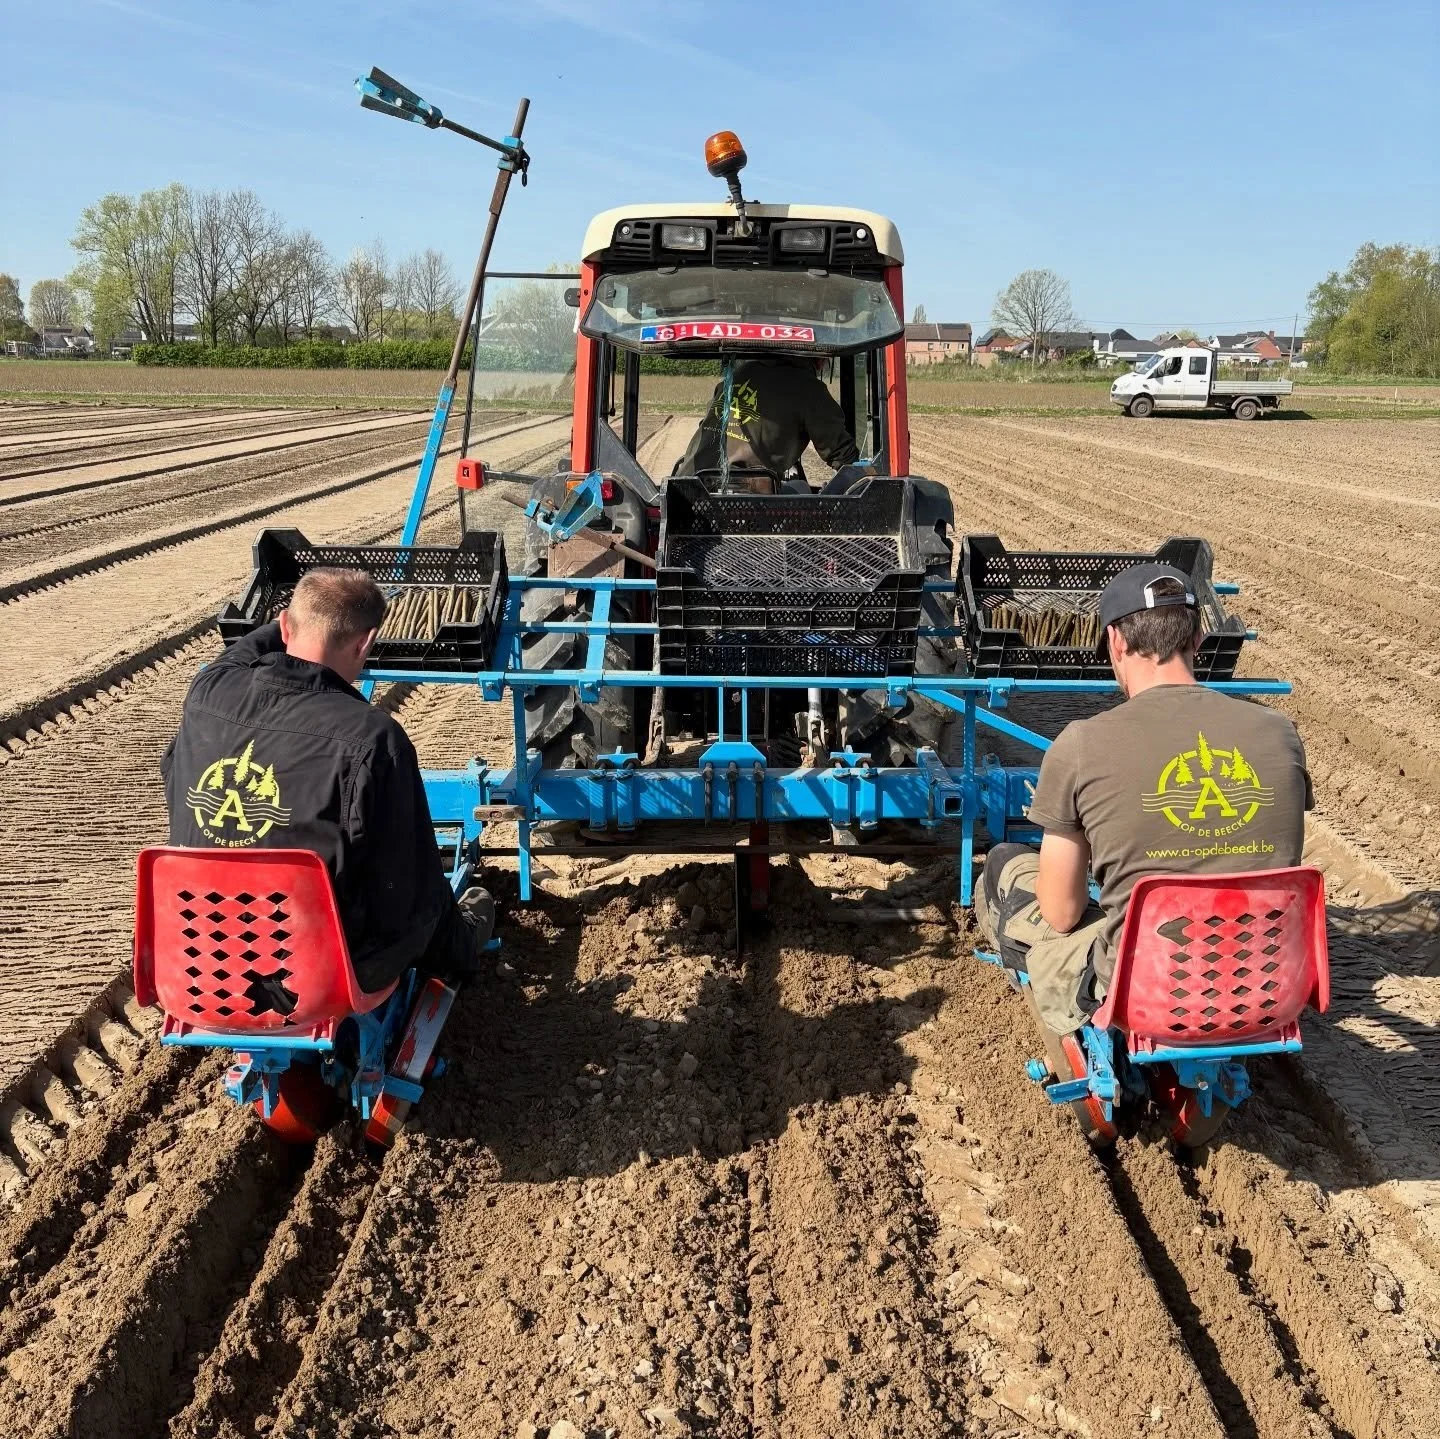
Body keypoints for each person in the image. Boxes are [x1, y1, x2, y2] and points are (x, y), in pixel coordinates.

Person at [976, 563, 1312, 1038]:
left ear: (1115, 641)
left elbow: (1062, 912)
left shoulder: (1081, 743)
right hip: (1270, 980)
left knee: (1005, 867)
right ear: (1197, 638)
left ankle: (1074, 1015)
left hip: (1147, 987)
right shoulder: (1280, 732)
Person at [162, 569, 495, 994]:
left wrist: (304, 615)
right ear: (365, 644)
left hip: (196, 951)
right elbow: (411, 886)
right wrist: (455, 946)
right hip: (316, 971)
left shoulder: (209, 689)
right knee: (429, 910)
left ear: (284, 625)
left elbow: (246, 650)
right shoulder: (373, 738)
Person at [677, 354, 860, 486]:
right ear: (818, 360)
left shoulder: (739, 374)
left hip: (687, 484)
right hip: (743, 495)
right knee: (800, 488)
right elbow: (842, 453)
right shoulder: (809, 388)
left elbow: (708, 421)